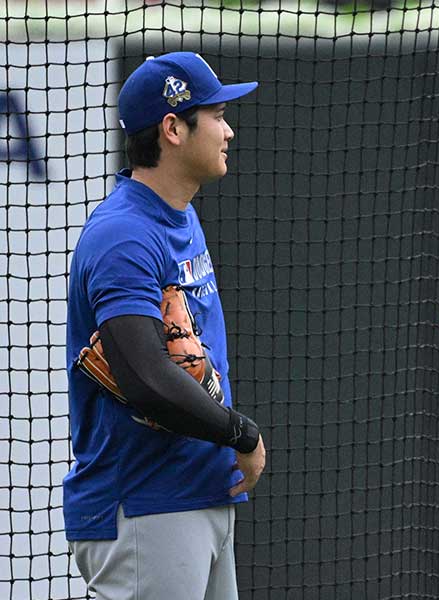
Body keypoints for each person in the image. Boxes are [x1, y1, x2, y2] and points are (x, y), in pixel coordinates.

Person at [64, 52, 267, 599]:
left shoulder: (178, 214)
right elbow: (145, 378)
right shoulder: (124, 234)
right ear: (173, 128)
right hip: (146, 503)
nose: (228, 130)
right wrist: (239, 433)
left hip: (197, 493)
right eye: (216, 114)